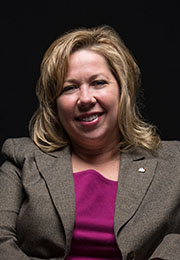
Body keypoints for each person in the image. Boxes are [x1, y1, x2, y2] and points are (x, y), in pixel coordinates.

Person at [0, 25, 179, 260]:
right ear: (54, 104)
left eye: (98, 83)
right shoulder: (22, 158)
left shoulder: (174, 163)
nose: (85, 99)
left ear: (122, 90)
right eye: (70, 88)